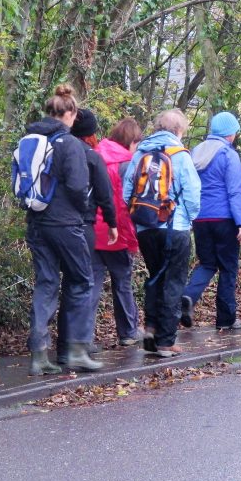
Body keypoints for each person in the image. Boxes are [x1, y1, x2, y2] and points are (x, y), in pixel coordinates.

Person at [21, 84, 102, 375]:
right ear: (71, 113)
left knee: (46, 284)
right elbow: (80, 186)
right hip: (66, 224)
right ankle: (77, 350)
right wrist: (79, 211)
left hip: (36, 222)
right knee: (82, 281)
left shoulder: (28, 140)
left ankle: (39, 355)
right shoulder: (69, 144)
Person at [122, 109, 201, 357]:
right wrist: (188, 220)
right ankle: (166, 341)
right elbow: (192, 194)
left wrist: (141, 221)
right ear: (179, 130)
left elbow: (127, 193)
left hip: (146, 228)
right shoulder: (180, 154)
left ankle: (151, 329)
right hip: (174, 227)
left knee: (155, 276)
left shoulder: (140, 154)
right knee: (174, 282)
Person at [55, 108, 117, 364]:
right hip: (84, 226)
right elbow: (105, 195)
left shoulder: (56, 151)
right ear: (91, 132)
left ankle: (62, 347)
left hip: (57, 226)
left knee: (66, 286)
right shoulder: (91, 157)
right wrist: (112, 224)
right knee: (83, 284)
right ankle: (78, 347)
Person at [180, 111, 241, 332]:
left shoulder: (196, 152)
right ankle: (226, 319)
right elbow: (235, 191)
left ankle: (188, 296)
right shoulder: (228, 155)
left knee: (208, 263)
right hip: (224, 218)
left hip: (200, 218)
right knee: (228, 268)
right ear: (230, 133)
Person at [91, 118, 143, 346]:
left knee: (90, 286)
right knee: (122, 282)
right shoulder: (127, 164)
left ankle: (82, 339)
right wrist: (132, 241)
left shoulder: (94, 156)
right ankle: (128, 332)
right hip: (116, 232)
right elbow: (123, 208)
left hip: (92, 231)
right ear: (131, 141)